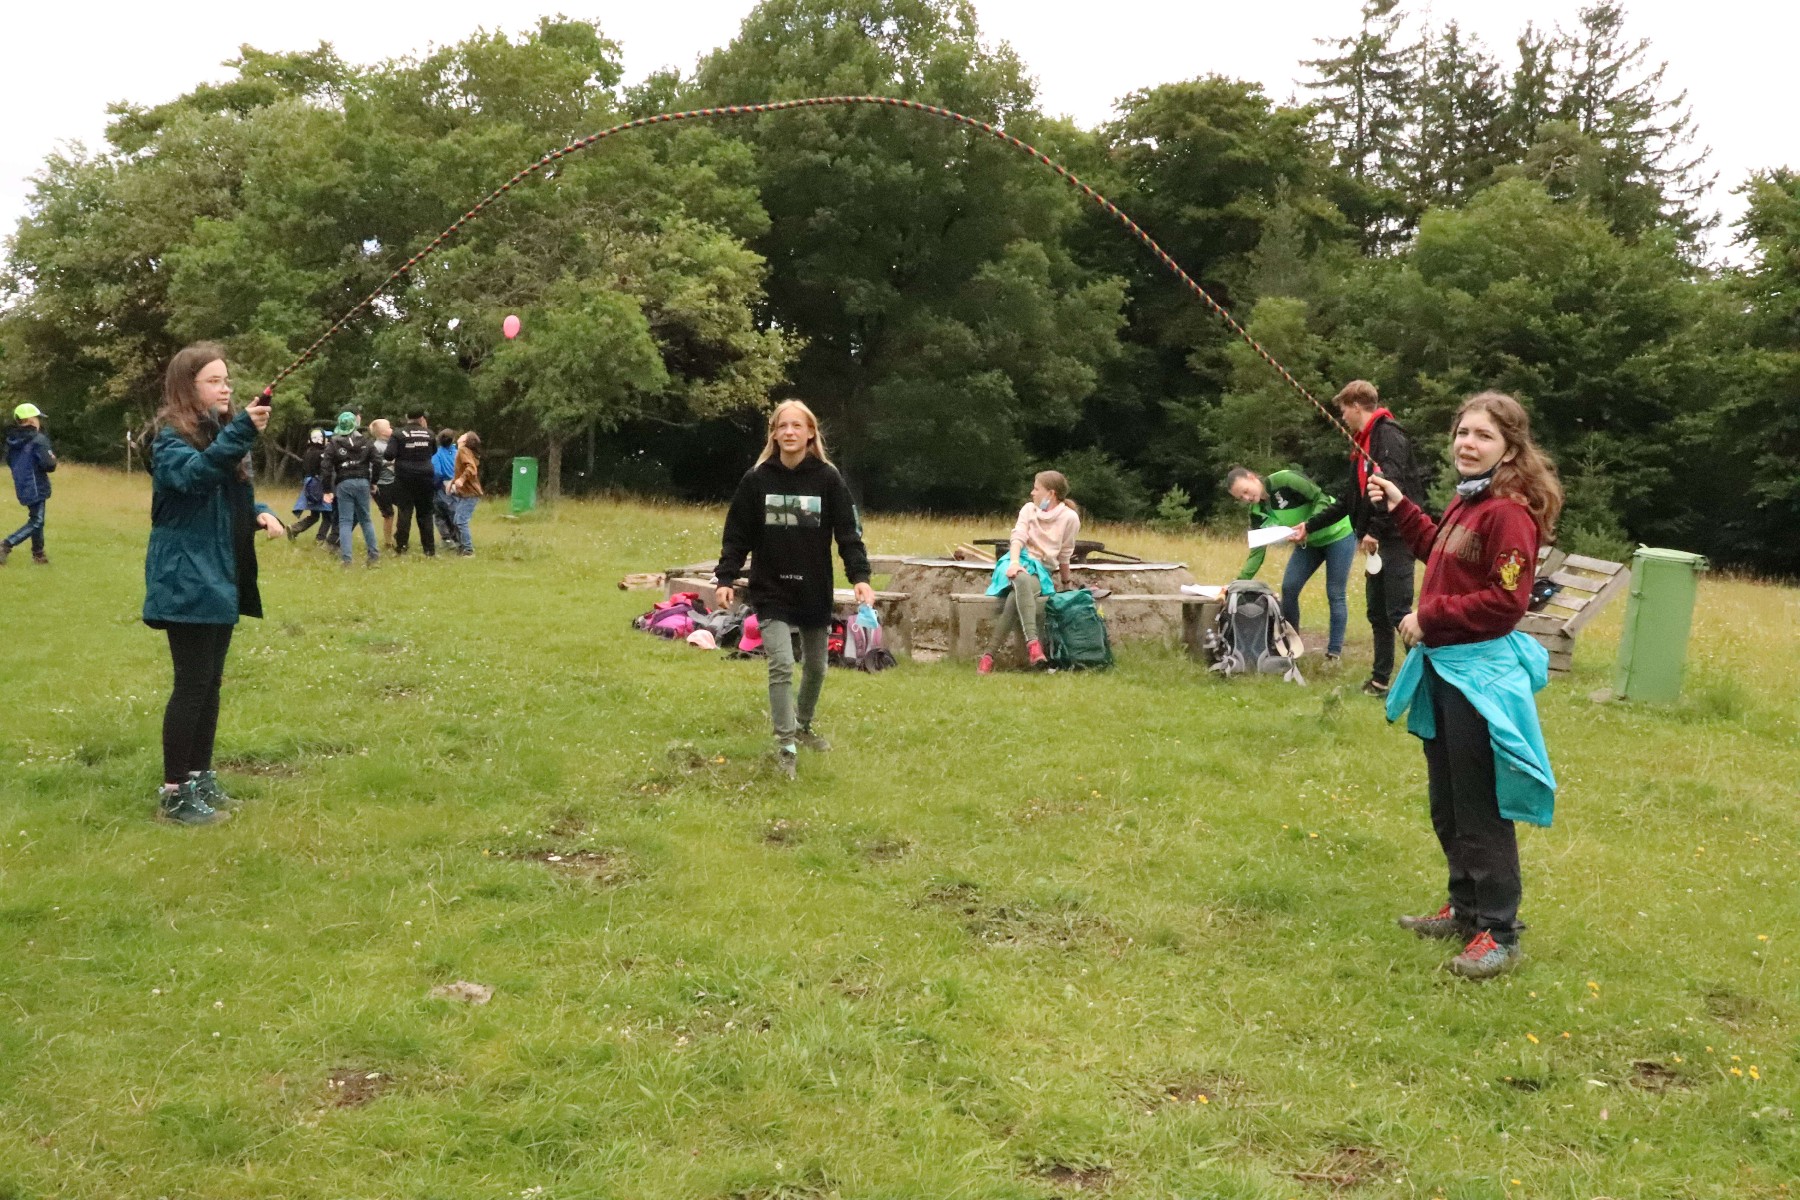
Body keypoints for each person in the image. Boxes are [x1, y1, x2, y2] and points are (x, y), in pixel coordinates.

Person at [1367, 391, 1562, 981]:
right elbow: (1439, 551)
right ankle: (1465, 909)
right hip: (1445, 669)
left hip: (1479, 677)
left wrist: (1430, 616)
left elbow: (1506, 601)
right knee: (1448, 802)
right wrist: (1402, 506)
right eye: (1463, 433)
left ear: (1510, 449)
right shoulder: (1469, 500)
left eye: (1483, 436)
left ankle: (1499, 932)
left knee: (1479, 807)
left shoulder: (1509, 513)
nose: (1468, 444)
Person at [143, 343, 285, 825]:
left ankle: (199, 777)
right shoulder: (168, 439)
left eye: (227, 380)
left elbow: (224, 494)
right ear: (188, 387)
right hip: (186, 576)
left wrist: (260, 511)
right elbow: (193, 478)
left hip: (218, 574)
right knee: (191, 686)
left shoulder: (217, 434)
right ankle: (174, 794)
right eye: (214, 381)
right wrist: (242, 431)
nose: (226, 388)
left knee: (210, 684)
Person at [713, 400, 874, 780]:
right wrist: (725, 577)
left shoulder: (828, 479)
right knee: (782, 663)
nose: (789, 432)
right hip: (770, 589)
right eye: (782, 426)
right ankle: (785, 744)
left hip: (813, 588)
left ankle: (802, 726)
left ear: (810, 433)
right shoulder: (756, 480)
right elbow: (737, 534)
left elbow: (848, 533)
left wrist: (860, 576)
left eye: (796, 426)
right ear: (773, 433)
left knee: (816, 667)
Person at [1337, 381, 1430, 698]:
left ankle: (1426, 683)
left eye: (1344, 410)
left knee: (1399, 614)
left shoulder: (1388, 435)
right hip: (1376, 542)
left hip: (1397, 536)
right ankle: (1380, 681)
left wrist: (1374, 529)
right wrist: (1310, 526)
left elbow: (1392, 485)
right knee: (1377, 613)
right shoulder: (1362, 443)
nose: (1342, 417)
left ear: (1356, 406)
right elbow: (1351, 497)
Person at [1226, 466, 1355, 663]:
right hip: (1309, 543)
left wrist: (1309, 525)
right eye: (1240, 497)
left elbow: (1320, 497)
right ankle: (1292, 645)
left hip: (1338, 534)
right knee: (1289, 587)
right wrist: (1237, 584)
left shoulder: (1285, 480)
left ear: (1252, 477)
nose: (1246, 498)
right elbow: (1257, 552)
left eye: (1245, 491)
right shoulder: (1257, 512)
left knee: (1335, 592)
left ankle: (1334, 653)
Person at [978, 470, 1079, 674]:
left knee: (1016, 596)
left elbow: (1065, 554)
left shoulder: (1070, 518)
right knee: (1020, 577)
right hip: (1017, 561)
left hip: (1040, 571)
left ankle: (988, 656)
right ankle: (1033, 644)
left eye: (1036, 488)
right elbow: (1018, 538)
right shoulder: (1028, 510)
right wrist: (1014, 563)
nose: (1032, 493)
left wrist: (1066, 583)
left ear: (1051, 493)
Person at [322, 411, 379, 567]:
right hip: (363, 481)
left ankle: (347, 559)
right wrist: (374, 481)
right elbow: (377, 461)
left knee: (345, 521)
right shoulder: (367, 441)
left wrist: (327, 489)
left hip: (344, 483)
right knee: (366, 519)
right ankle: (373, 556)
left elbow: (326, 467)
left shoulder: (334, 443)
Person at [2, 402, 57, 566]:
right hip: (36, 484)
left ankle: (38, 554)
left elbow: (10, 461)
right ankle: (7, 544)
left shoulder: (12, 440)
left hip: (22, 484)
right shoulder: (39, 440)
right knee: (37, 521)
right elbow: (49, 465)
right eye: (37, 418)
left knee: (36, 517)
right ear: (31, 420)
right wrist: (52, 458)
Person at [384, 409, 439, 556]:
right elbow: (433, 451)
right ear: (422, 418)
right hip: (426, 476)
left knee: (405, 511)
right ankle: (429, 550)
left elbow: (389, 455)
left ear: (406, 417)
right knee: (426, 513)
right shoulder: (429, 434)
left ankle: (401, 547)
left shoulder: (398, 434)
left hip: (404, 476)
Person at [287, 429, 332, 542]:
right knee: (328, 516)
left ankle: (295, 529)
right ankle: (320, 539)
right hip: (320, 486)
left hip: (309, 485)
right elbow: (325, 471)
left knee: (315, 515)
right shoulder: (322, 454)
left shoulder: (308, 452)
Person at [447, 431, 483, 556]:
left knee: (461, 521)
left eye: (464, 435)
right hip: (466, 493)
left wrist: (461, 480)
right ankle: (461, 547)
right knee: (457, 520)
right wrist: (453, 482)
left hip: (470, 494)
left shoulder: (463, 450)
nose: (461, 435)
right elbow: (461, 470)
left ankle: (468, 550)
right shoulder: (464, 451)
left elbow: (471, 468)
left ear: (466, 440)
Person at [369, 418, 397, 549]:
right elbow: (374, 465)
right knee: (388, 513)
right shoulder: (376, 446)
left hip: (392, 483)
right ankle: (388, 541)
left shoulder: (391, 444)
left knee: (402, 508)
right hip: (381, 485)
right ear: (383, 432)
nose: (392, 429)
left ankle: (397, 536)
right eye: (389, 427)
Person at [432, 429, 460, 548]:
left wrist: (435, 485)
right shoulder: (457, 453)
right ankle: (458, 537)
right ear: (453, 439)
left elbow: (437, 472)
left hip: (443, 485)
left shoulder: (437, 454)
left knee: (440, 514)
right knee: (455, 511)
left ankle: (447, 538)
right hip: (457, 484)